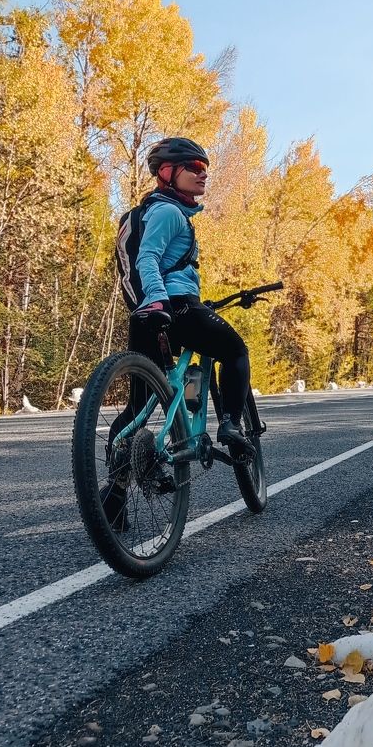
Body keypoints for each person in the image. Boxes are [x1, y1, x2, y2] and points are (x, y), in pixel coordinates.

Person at [102, 136, 251, 531]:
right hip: (176, 306)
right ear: (168, 173)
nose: (204, 176)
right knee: (236, 352)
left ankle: (113, 496)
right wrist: (160, 299)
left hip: (145, 314)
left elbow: (150, 260)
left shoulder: (150, 212)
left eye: (206, 170)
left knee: (137, 411)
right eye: (194, 168)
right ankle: (233, 425)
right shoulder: (169, 213)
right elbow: (149, 257)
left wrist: (149, 304)